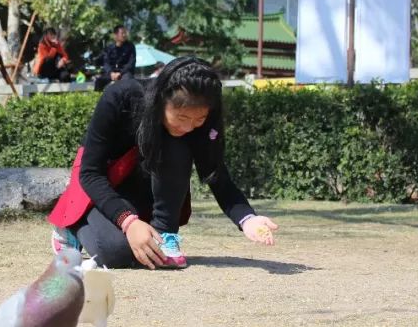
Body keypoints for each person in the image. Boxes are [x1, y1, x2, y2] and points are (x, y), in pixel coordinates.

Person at [49, 56, 277, 269]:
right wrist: (128, 221)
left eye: (199, 119)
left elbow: (216, 174)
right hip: (103, 184)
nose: (189, 127)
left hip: (144, 185)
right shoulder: (120, 97)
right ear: (161, 99)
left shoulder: (200, 122)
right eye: (182, 118)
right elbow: (90, 173)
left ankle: (165, 234)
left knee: (176, 146)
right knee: (116, 253)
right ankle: (72, 226)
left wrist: (247, 219)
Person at [94, 25, 136, 92]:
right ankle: (98, 99)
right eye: (122, 33)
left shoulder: (130, 46)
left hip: (124, 73)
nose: (125, 35)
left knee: (127, 80)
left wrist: (120, 73)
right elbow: (106, 62)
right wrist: (111, 73)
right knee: (99, 81)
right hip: (112, 73)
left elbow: (131, 63)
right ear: (115, 35)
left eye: (125, 33)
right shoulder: (109, 47)